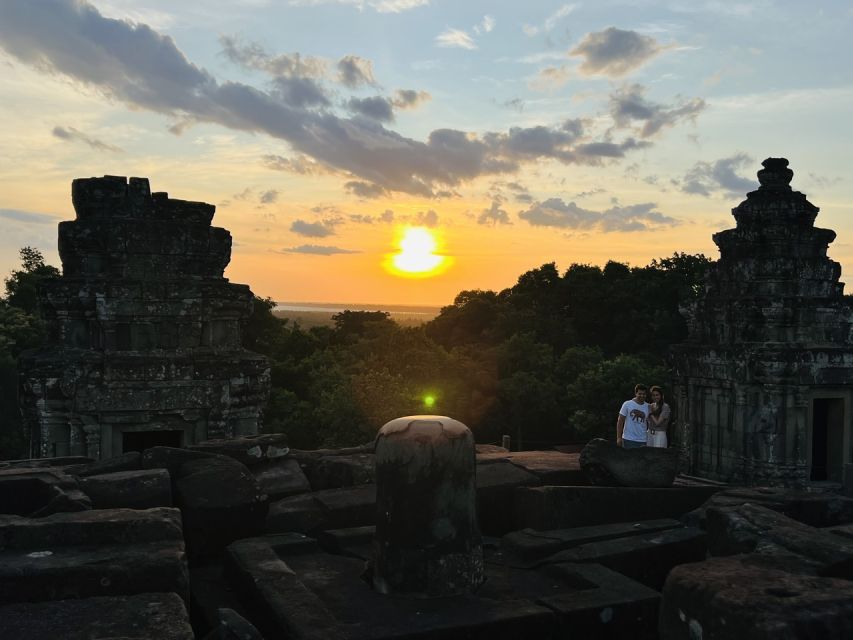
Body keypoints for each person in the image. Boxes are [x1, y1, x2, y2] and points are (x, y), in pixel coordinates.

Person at [616, 384, 650, 448]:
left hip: (643, 440)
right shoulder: (627, 404)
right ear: (636, 393)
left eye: (644, 394)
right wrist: (618, 437)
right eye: (640, 393)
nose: (642, 396)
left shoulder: (648, 406)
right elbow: (620, 421)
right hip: (628, 439)